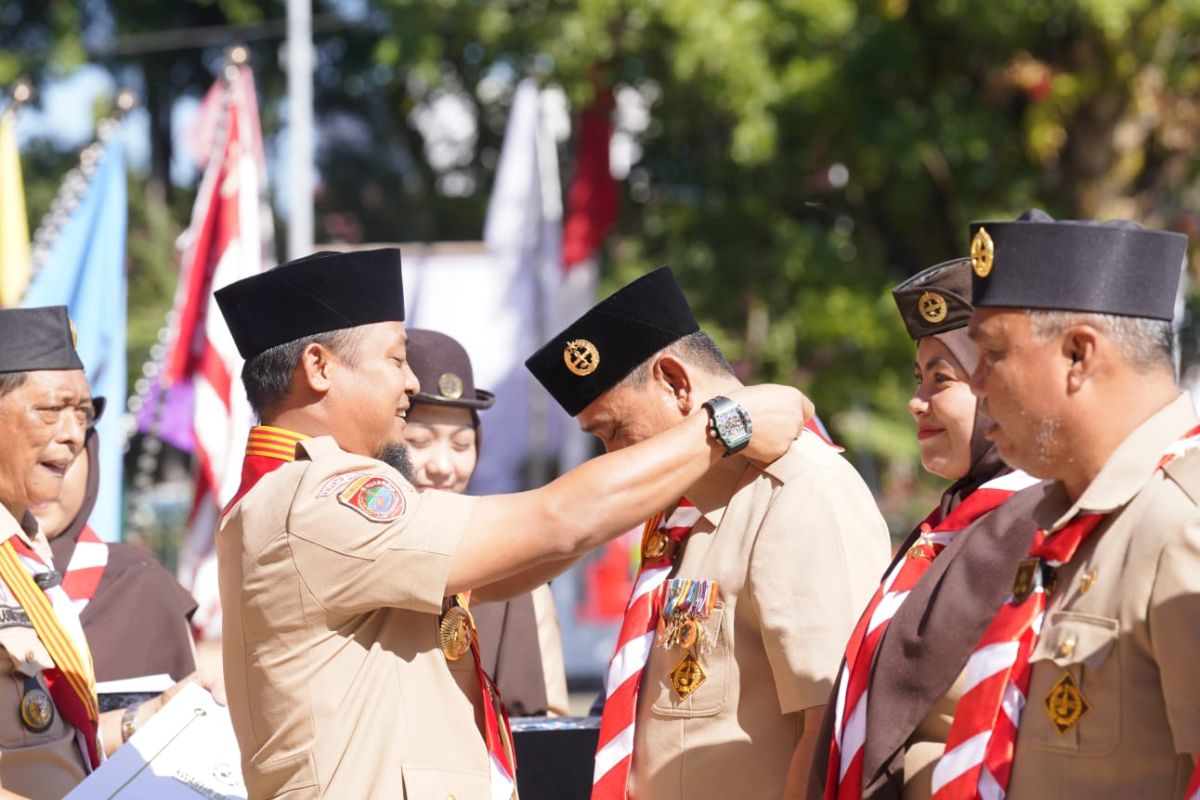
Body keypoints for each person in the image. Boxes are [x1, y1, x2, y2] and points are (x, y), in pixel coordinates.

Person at [212, 248, 809, 799]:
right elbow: (555, 520)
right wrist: (725, 424)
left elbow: (522, 557)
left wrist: (653, 478)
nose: (411, 381)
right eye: (395, 359)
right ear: (318, 367)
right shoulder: (320, 499)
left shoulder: (300, 495)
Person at [522, 267, 892, 800]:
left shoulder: (802, 491)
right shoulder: (678, 513)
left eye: (614, 432)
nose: (612, 458)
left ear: (676, 383)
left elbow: (831, 724)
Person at [926, 211, 1199, 798]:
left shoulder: (1184, 524)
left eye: (992, 354)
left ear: (1078, 355)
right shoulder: (1071, 519)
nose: (975, 384)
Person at [807, 258, 1040, 800]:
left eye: (943, 379)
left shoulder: (1030, 523)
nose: (917, 403)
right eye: (920, 379)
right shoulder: (955, 520)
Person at [0, 306, 211, 800]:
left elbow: (43, 741)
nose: (74, 434)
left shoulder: (26, 556)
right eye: (51, 410)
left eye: (84, 416)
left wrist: (147, 718)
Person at [402, 327, 569, 717]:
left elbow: (547, 724)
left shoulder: (515, 572)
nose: (443, 466)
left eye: (461, 445)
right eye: (418, 441)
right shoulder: (349, 551)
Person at [31, 399, 199, 691]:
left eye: (58, 465)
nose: (42, 483)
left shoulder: (140, 583)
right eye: (27, 462)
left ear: (91, 459)